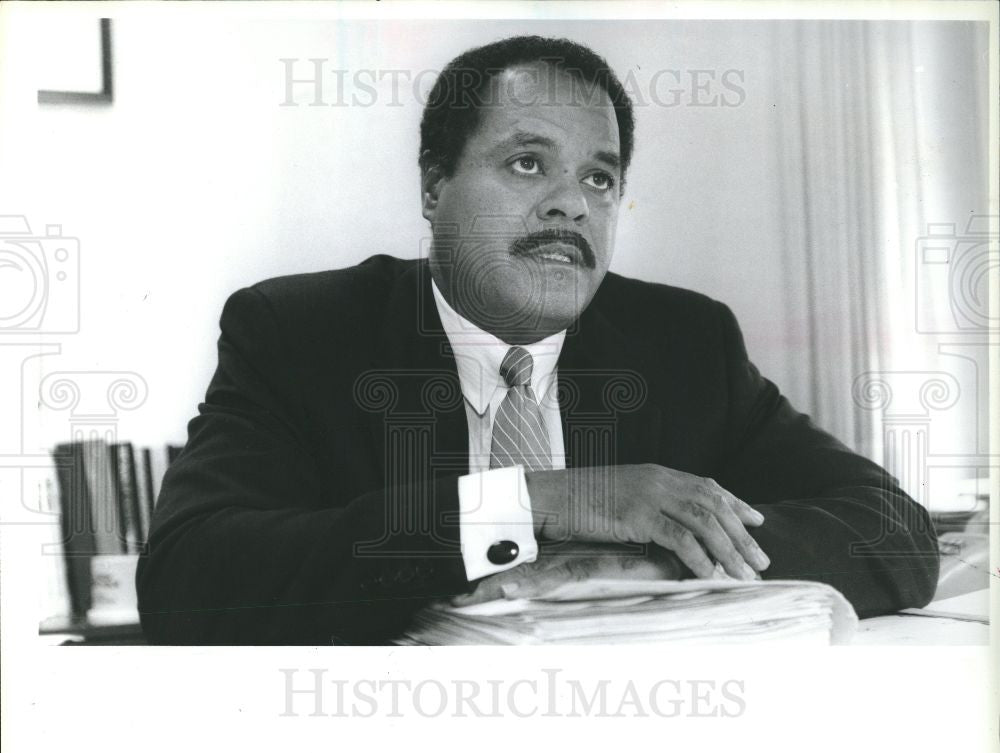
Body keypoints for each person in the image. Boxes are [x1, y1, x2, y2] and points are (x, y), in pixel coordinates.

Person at [136, 36, 939, 644]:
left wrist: (659, 558)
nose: (572, 205)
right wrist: (537, 502)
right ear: (431, 186)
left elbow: (894, 529)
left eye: (600, 177)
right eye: (527, 163)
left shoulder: (684, 343)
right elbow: (187, 579)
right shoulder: (302, 332)